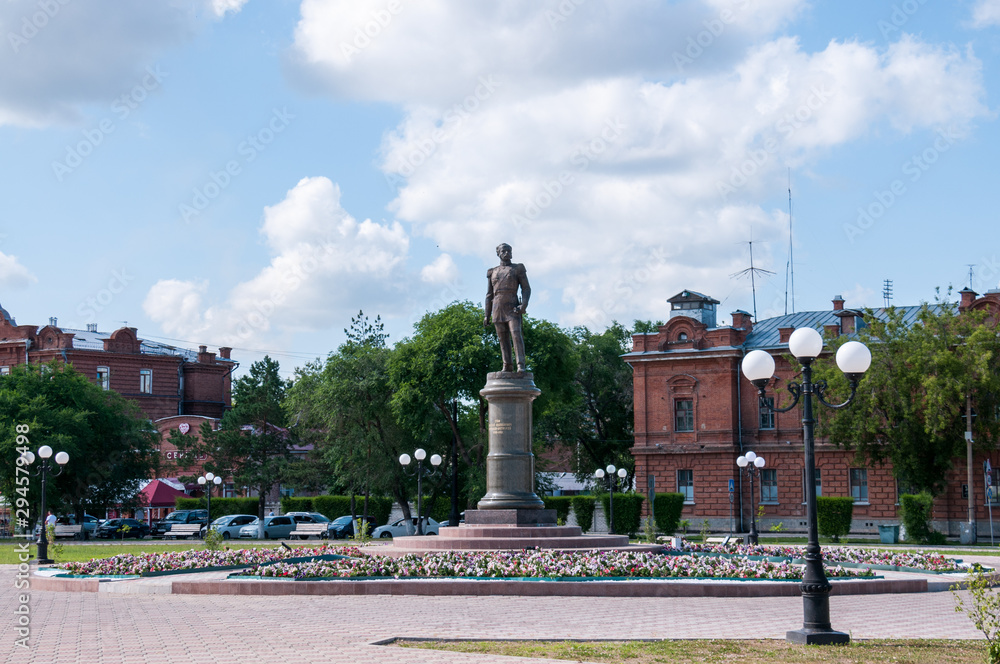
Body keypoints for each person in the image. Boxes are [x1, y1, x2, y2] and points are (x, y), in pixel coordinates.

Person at [484, 243, 531, 373]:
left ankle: (521, 364)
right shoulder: (492, 272)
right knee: (502, 338)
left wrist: (524, 304)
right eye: (504, 251)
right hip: (497, 306)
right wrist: (487, 314)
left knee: (516, 334)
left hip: (513, 306)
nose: (507, 253)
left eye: (509, 251)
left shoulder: (517, 268)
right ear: (498, 253)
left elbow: (526, 288)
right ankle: (507, 365)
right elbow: (489, 295)